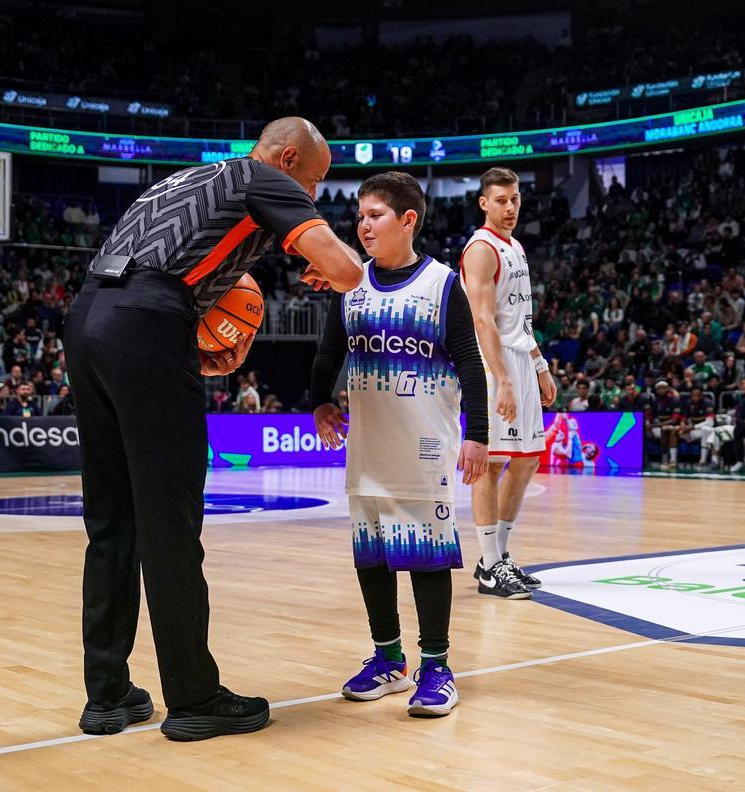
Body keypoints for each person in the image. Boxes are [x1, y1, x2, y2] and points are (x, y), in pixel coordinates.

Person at [65, 117, 363, 741]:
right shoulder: (263, 175)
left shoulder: (192, 177)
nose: (312, 196)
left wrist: (188, 348)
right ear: (287, 158)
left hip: (88, 319)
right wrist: (324, 267)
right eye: (312, 184)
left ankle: (108, 694)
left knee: (112, 519)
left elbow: (169, 269)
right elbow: (348, 271)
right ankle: (195, 696)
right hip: (146, 320)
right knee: (169, 520)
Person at [311, 172, 488, 718]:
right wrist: (319, 400)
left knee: (427, 558)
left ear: (408, 220)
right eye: (360, 215)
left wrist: (478, 435)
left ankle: (436, 666)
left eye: (375, 215)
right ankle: (389, 658)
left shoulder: (441, 284)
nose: (362, 224)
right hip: (366, 448)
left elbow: (470, 364)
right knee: (372, 558)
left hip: (425, 449)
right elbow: (327, 350)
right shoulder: (350, 284)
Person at [460, 167, 557, 600]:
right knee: (492, 461)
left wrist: (539, 364)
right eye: (500, 200)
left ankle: (496, 556)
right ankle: (489, 565)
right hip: (490, 363)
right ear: (484, 203)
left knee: (527, 459)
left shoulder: (515, 246)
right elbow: (482, 320)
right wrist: (501, 379)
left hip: (519, 359)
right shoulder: (481, 248)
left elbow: (518, 319)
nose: (510, 207)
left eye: (515, 199)